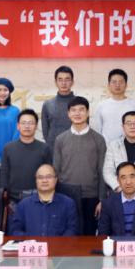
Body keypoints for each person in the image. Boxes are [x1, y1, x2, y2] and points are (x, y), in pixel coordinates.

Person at [53, 96, 107, 236]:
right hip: (66, 196)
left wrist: (102, 199)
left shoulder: (98, 139)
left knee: (88, 236)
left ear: (88, 113)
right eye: (73, 110)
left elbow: (102, 170)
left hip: (91, 196)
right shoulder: (60, 139)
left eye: (81, 110)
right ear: (68, 114)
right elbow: (56, 170)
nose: (77, 113)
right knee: (67, 235)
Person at [8, 164, 78, 236]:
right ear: (36, 181)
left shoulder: (68, 204)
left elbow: (72, 230)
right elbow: (15, 230)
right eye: (40, 177)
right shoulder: (23, 205)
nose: (44, 180)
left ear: (56, 180)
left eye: (49, 177)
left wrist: (59, 242)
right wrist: (29, 240)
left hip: (59, 243)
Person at [0, 109, 53, 202]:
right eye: (23, 123)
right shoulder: (8, 148)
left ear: (36, 126)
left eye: (30, 123)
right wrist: (3, 193)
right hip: (13, 198)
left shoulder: (45, 148)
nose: (27, 126)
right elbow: (4, 174)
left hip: (38, 196)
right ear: (18, 126)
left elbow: (48, 174)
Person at [93, 69, 135, 143]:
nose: (117, 85)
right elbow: (97, 130)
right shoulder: (102, 105)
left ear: (126, 85)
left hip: (129, 146)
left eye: (121, 82)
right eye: (114, 82)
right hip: (107, 147)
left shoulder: (134, 105)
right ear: (108, 85)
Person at [41, 65, 76, 143]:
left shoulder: (80, 104)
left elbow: (84, 128)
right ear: (56, 82)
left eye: (67, 79)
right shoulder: (48, 104)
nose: (63, 83)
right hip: (53, 147)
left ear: (72, 82)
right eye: (60, 80)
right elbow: (45, 131)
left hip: (75, 147)